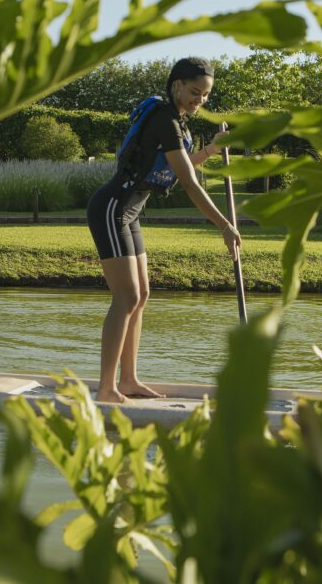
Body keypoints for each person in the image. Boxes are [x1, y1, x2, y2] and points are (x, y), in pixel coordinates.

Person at [85, 57, 240, 403]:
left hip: (129, 213)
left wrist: (212, 149)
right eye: (195, 92)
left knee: (141, 296)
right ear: (177, 86)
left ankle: (128, 380)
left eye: (206, 95)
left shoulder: (176, 122)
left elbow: (180, 166)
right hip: (111, 208)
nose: (200, 100)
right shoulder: (165, 120)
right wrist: (225, 226)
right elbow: (190, 184)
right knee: (126, 297)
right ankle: (106, 388)